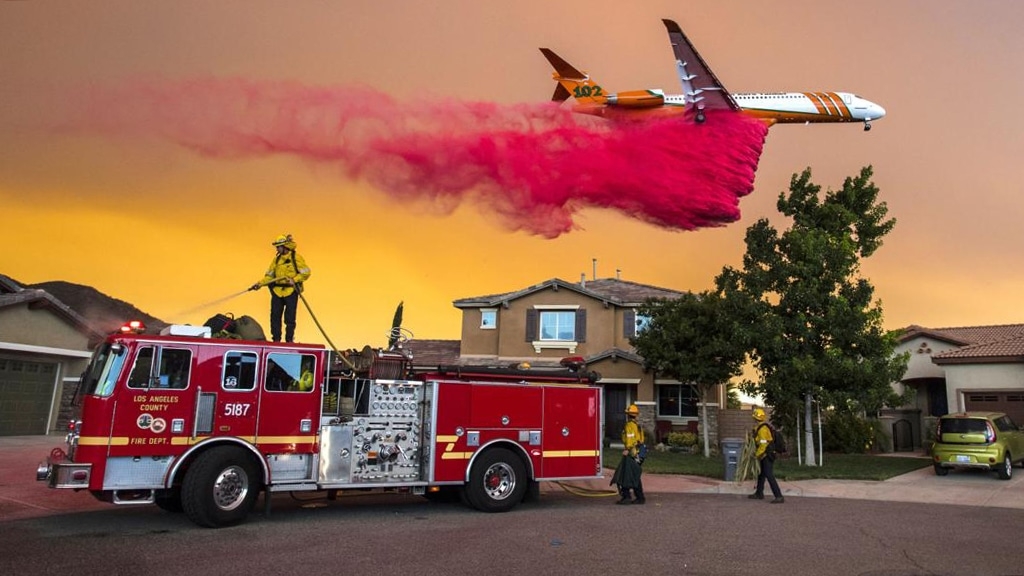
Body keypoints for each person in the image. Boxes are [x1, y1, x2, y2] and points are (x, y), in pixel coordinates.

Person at [249, 234, 311, 343]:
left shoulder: (296, 258)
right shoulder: (276, 260)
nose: (277, 249)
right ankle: (276, 340)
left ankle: (289, 340)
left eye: (278, 247)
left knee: (290, 318)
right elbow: (269, 276)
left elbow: (306, 272)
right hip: (277, 291)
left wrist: (294, 280)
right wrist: (259, 284)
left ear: (285, 246)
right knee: (275, 316)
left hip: (291, 291)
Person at [610, 404, 646, 505]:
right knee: (634, 475)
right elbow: (640, 439)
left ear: (628, 415)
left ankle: (626, 497)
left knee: (626, 474)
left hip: (632, 453)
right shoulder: (637, 425)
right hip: (640, 452)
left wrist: (627, 449)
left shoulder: (629, 425)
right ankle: (640, 497)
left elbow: (630, 439)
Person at [749, 407, 784, 504]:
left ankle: (779, 496)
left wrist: (756, 454)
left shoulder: (762, 429)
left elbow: (763, 444)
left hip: (767, 455)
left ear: (755, 418)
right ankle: (759, 493)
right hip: (765, 454)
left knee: (769, 475)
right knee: (762, 474)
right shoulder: (760, 427)